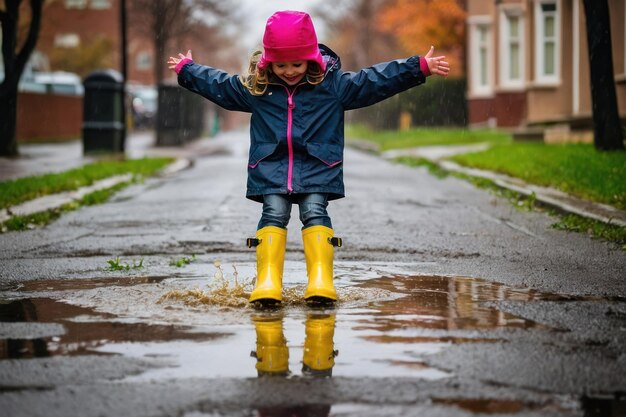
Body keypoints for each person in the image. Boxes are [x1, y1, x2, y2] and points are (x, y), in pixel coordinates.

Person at [168, 10, 450, 305]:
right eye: (281, 65)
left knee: (314, 211)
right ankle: (267, 282)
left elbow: (375, 80)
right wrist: (189, 71)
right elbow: (221, 85)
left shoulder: (333, 87)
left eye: (296, 63)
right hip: (271, 168)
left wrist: (418, 68)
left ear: (311, 59)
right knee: (273, 214)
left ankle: (320, 280)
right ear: (269, 62)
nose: (289, 70)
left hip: (318, 166)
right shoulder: (258, 89)